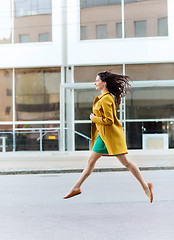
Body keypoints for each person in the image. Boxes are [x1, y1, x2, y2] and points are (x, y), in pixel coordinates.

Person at [63, 71, 153, 203]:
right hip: (102, 136)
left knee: (125, 162)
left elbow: (109, 120)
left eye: (97, 80)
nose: (95, 83)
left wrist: (94, 118)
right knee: (90, 162)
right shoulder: (102, 98)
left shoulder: (106, 99)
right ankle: (76, 187)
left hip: (110, 136)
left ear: (104, 83)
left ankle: (146, 187)